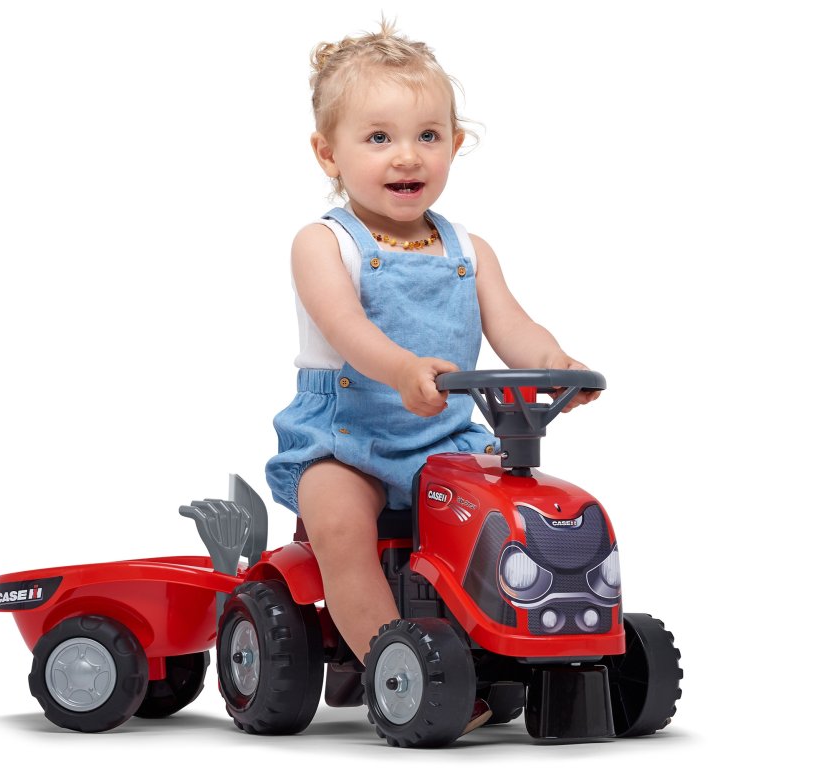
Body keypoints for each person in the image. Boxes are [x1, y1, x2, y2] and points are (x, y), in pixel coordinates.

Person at [265, 20, 598, 733]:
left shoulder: (468, 250)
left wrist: (557, 365)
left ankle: (521, 640)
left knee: (515, 513)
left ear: (455, 142)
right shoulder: (324, 244)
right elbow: (348, 331)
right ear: (328, 152)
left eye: (427, 135)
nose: (406, 155)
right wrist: (403, 368)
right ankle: (394, 667)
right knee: (340, 526)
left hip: (444, 439)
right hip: (344, 440)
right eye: (377, 137)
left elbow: (513, 327)